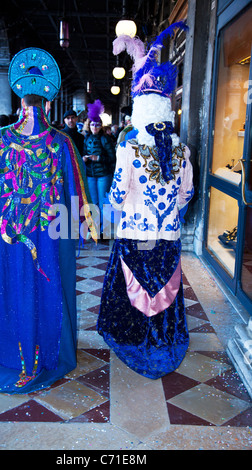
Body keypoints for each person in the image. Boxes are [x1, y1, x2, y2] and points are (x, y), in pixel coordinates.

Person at [0, 48, 97, 394]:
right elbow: (76, 191)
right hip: (48, 233)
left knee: (10, 286)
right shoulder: (61, 143)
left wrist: (6, 203)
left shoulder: (0, 139)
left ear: (20, 100)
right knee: (48, 286)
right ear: (46, 101)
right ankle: (47, 354)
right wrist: (79, 230)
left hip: (9, 232)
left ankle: (10, 355)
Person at [97, 22, 194, 379]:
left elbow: (118, 196)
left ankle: (134, 336)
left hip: (135, 233)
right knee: (163, 286)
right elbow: (187, 194)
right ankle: (164, 338)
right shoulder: (182, 149)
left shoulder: (128, 145)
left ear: (140, 106)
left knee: (132, 286)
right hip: (168, 235)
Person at [83, 100, 116, 236]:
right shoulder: (86, 139)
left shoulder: (105, 139)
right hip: (91, 175)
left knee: (103, 203)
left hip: (103, 175)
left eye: (97, 125)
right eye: (92, 124)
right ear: (89, 125)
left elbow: (113, 158)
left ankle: (105, 230)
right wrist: (85, 159)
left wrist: (99, 159)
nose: (94, 127)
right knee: (93, 203)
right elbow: (84, 152)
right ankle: (95, 228)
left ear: (101, 126)